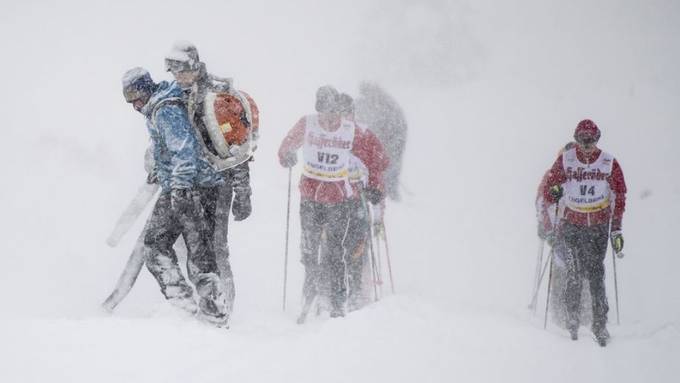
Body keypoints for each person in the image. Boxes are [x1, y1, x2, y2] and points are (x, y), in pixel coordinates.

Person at [122, 67, 229, 326]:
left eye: (136, 95)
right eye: (128, 99)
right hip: (186, 186)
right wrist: (160, 170)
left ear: (146, 88)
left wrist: (180, 188)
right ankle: (190, 308)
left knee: (190, 252)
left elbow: (183, 151)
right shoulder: (161, 106)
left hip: (191, 188)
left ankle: (205, 313)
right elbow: (171, 148)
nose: (134, 104)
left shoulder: (166, 109)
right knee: (168, 247)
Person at [164, 41, 258, 320]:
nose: (177, 76)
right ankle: (202, 306)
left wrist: (243, 193)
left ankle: (223, 308)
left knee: (216, 250)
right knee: (188, 248)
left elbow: (235, 150)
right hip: (189, 186)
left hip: (218, 186)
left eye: (181, 70)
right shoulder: (178, 96)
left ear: (193, 66)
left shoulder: (214, 98)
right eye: (173, 71)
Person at [278, 86, 388, 322]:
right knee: (310, 251)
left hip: (344, 200)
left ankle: (342, 300)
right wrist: (286, 154)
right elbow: (287, 145)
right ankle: (310, 296)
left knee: (341, 251)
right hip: (311, 198)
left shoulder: (357, 132)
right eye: (326, 112)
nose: (332, 118)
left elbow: (379, 161)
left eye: (338, 112)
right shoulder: (308, 124)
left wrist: (375, 188)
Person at [543, 119, 627, 346]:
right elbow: (548, 191)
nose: (587, 145)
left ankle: (600, 325)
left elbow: (620, 194)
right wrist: (555, 190)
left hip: (598, 226)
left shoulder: (609, 162)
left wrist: (616, 229)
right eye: (582, 140)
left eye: (591, 140)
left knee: (596, 274)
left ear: (598, 138)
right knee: (573, 271)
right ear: (576, 139)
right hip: (572, 225)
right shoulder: (566, 160)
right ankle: (572, 320)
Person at [354, 82, 407, 201]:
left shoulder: (385, 105)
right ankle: (388, 190)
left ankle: (391, 192)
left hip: (393, 138)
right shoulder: (376, 103)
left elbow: (388, 125)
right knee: (388, 165)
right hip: (391, 138)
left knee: (390, 165)